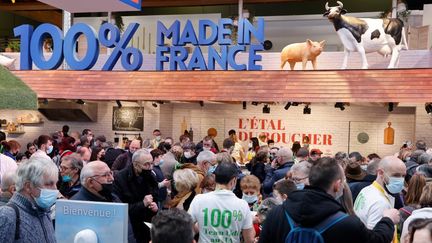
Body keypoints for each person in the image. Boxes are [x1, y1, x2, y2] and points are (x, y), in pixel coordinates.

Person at [259, 157, 399, 243]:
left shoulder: (276, 213)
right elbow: (376, 240)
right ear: (337, 185)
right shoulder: (347, 223)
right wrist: (387, 219)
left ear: (310, 180)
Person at [70, 161, 137, 243]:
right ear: (90, 182)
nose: (111, 178)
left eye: (110, 173)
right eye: (106, 175)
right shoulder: (75, 208)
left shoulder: (113, 198)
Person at [188, 162, 255, 243]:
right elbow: (250, 239)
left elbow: (185, 227)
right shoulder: (243, 205)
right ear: (234, 180)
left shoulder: (199, 200)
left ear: (215, 177)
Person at [0, 156, 58, 243]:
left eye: (56, 183)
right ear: (28, 186)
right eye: (49, 184)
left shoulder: (44, 211)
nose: (55, 189)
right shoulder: (7, 215)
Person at [113, 149, 158, 243]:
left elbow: (155, 197)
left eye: (151, 163)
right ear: (135, 164)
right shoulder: (120, 179)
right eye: (146, 164)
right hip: (130, 228)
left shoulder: (151, 177)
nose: (150, 167)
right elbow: (119, 210)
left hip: (147, 227)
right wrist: (143, 204)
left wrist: (155, 208)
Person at [354, 156, 406, 230]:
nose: (400, 180)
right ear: (381, 173)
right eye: (396, 175)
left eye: (403, 176)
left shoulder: (366, 190)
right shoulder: (380, 203)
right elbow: (375, 237)